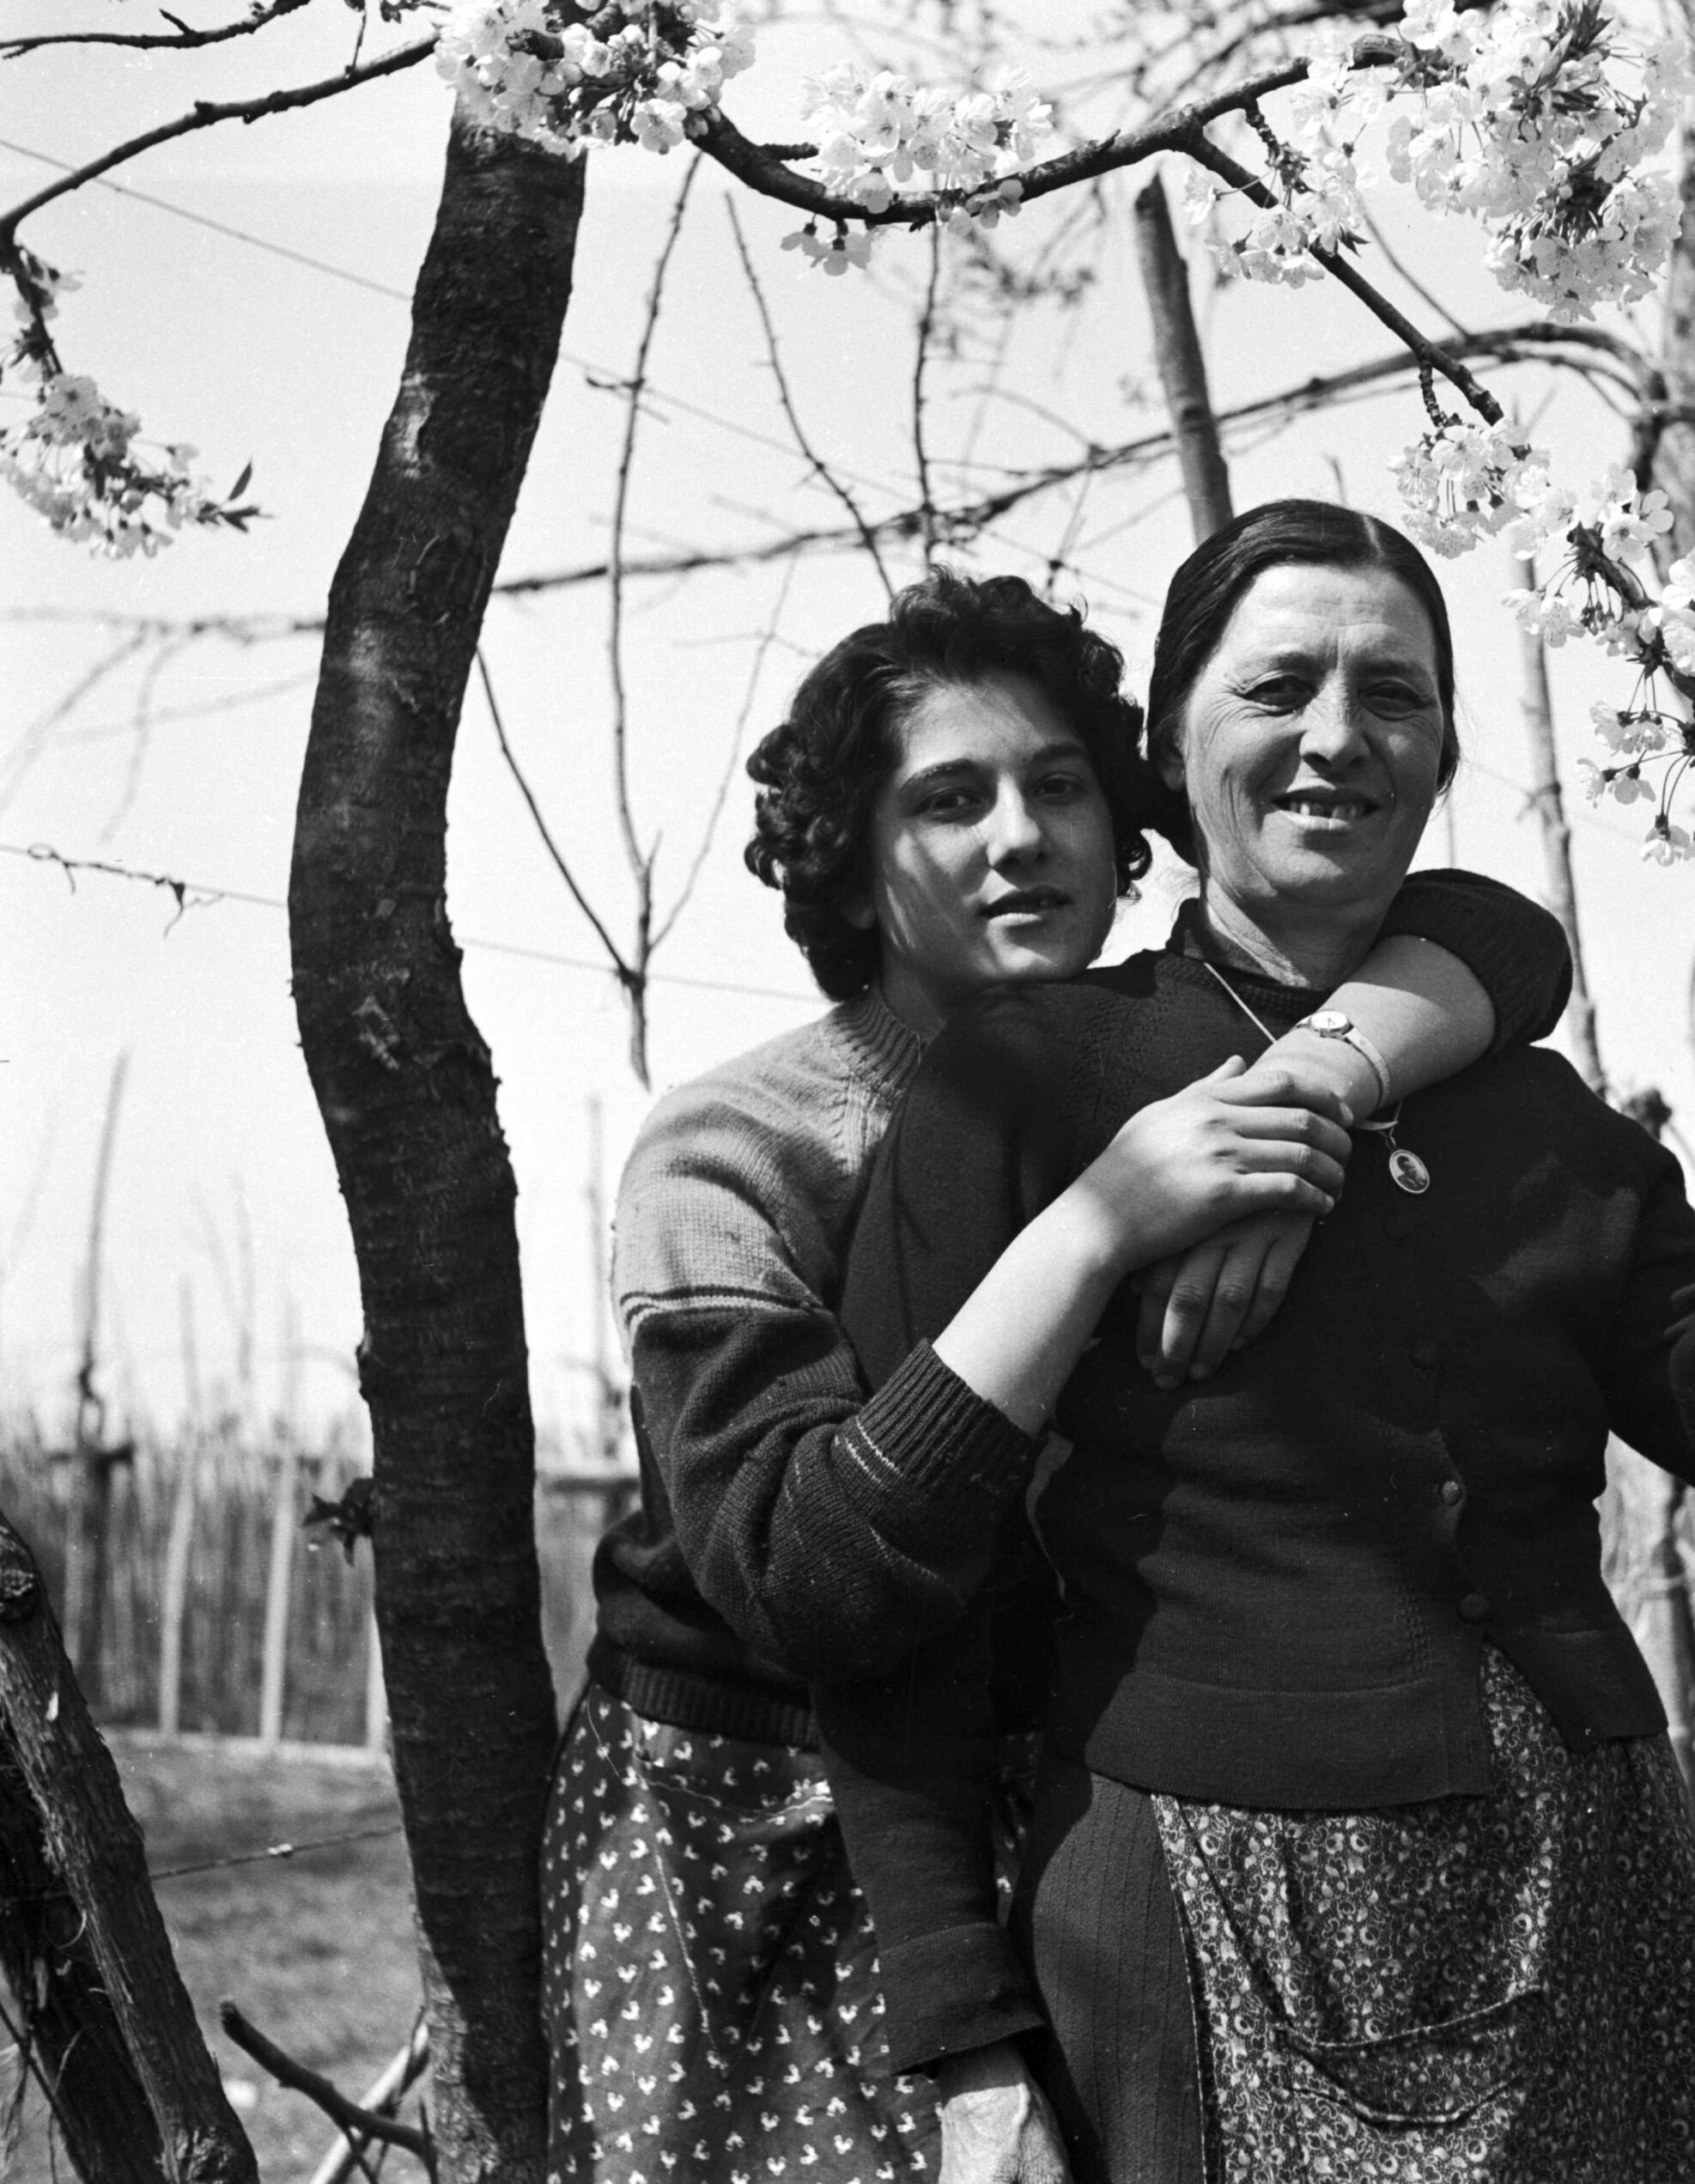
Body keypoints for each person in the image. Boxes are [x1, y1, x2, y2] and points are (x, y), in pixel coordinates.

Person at [814, 502, 1695, 2184]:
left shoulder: (1543, 1125)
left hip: (1592, 1882)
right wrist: (965, 2033)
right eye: (1278, 688)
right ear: (1167, 750)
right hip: (1211, 1915)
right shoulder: (1031, 1082)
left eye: (1393, 694)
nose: (1338, 736)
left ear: (1444, 753)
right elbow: (907, 1605)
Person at [540, 564, 1575, 2184]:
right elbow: (795, 1574)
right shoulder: (736, 1146)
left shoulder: (1187, 1075)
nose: (1020, 838)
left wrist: (1312, 1078)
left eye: (1061, 787)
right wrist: (1098, 1227)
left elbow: (1500, 933)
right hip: (746, 1814)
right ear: (853, 858)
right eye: (950, 801)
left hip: (1040, 1792)